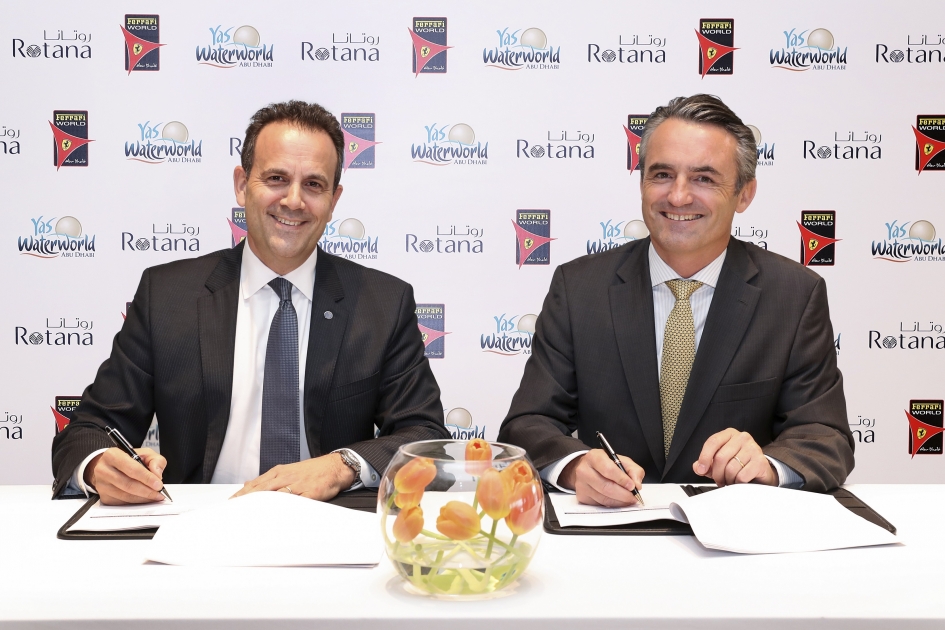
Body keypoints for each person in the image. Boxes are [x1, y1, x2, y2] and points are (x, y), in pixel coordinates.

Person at [51, 101, 448, 504]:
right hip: (199, 522)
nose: (293, 201)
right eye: (276, 178)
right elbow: (89, 429)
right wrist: (100, 465)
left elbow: (426, 437)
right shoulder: (167, 296)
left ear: (334, 200)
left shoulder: (382, 303)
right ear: (242, 185)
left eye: (314, 184)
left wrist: (340, 466)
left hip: (331, 521)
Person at [498, 94, 853, 506]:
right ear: (642, 183)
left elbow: (825, 437)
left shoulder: (794, 294)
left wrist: (767, 466)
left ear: (744, 194)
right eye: (662, 174)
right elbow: (528, 424)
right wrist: (575, 467)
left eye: (704, 179)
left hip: (735, 531)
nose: (679, 197)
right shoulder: (579, 289)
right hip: (610, 528)